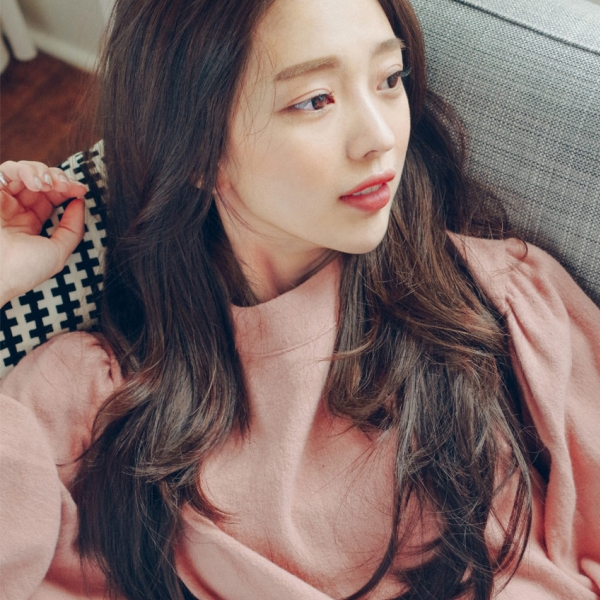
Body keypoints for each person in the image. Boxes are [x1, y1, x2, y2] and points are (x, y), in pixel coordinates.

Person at [0, 0, 599, 598]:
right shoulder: (86, 403)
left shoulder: (500, 299)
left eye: (390, 78)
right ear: (195, 149)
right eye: (315, 101)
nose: (379, 138)